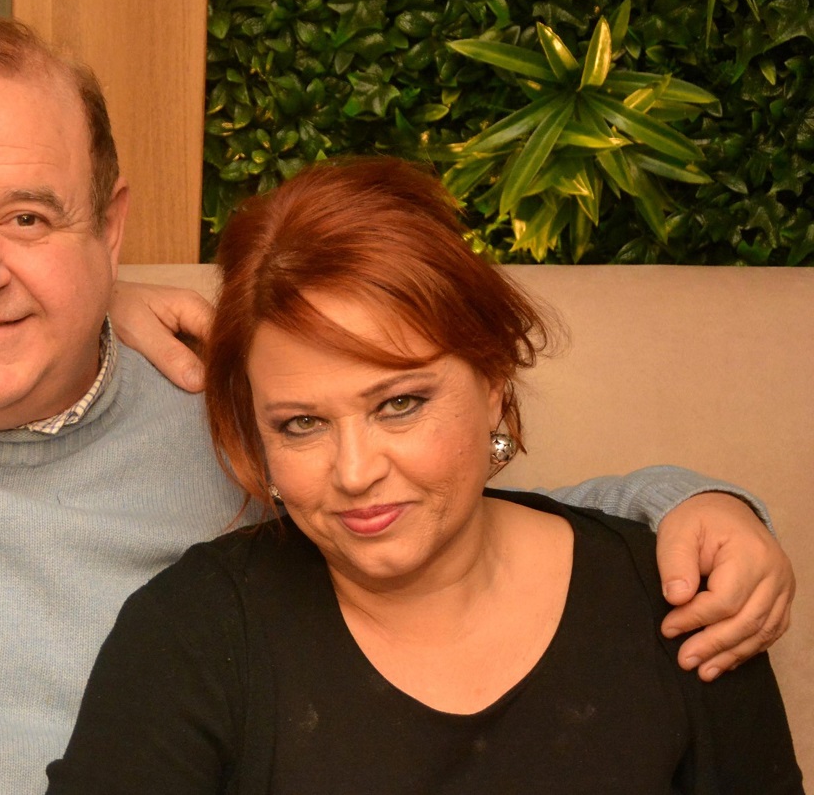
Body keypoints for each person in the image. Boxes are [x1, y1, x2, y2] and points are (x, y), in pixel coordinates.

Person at [0, 16, 794, 794]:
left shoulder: (230, 419)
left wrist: (689, 503)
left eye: (30, 217)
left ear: (110, 223)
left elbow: (446, 505)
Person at [46, 158, 804, 793]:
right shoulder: (191, 635)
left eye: (399, 404)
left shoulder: (678, 604)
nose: (355, 472)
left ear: (494, 381)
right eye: (301, 423)